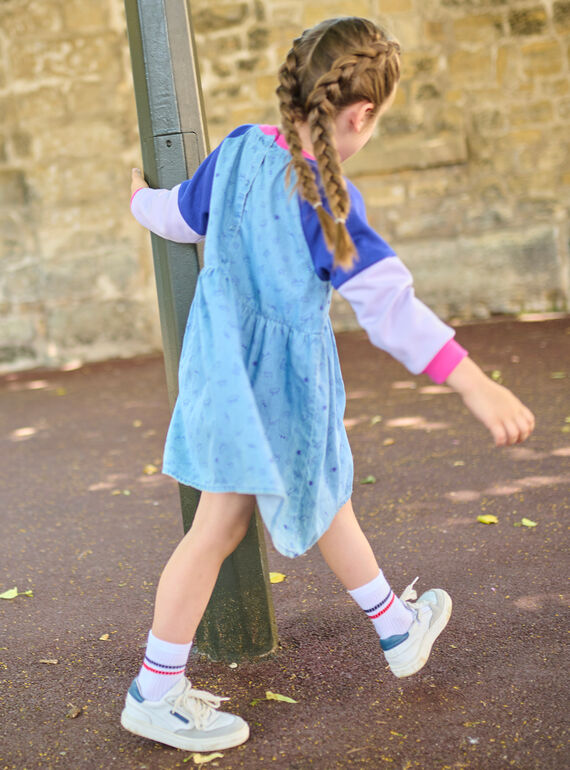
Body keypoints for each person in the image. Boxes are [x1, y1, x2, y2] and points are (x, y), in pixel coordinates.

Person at [121, 17, 535, 753]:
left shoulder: (240, 150)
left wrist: (135, 202)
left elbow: (180, 215)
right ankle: (154, 691)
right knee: (224, 525)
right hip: (280, 390)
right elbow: (390, 308)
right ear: (361, 114)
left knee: (313, 497)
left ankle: (395, 626)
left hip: (222, 377)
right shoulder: (326, 197)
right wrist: (477, 385)